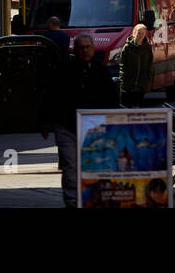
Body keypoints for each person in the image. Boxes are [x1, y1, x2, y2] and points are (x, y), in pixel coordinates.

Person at [40, 33, 118, 206]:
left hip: (93, 128)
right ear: (75, 50)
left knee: (94, 164)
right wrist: (45, 122)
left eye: (87, 47)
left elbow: (111, 99)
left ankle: (92, 197)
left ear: (93, 49)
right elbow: (50, 95)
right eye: (80, 47)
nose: (84, 51)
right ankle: (72, 201)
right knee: (70, 165)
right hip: (66, 125)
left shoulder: (100, 71)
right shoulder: (63, 69)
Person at [117, 23, 153, 108]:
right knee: (126, 107)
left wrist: (148, 79)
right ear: (134, 33)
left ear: (145, 35)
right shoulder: (127, 47)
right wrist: (123, 78)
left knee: (137, 108)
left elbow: (150, 64)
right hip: (128, 84)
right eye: (138, 33)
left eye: (142, 33)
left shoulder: (147, 48)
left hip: (141, 85)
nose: (140, 35)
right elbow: (122, 63)